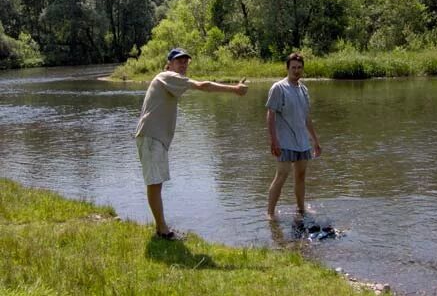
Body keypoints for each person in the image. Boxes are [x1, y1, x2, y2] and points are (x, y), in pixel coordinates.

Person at [135, 47, 248, 240]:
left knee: (156, 183)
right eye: (179, 61)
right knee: (154, 183)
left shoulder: (170, 80)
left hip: (154, 138)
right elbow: (203, 86)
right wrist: (234, 90)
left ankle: (161, 227)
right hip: (151, 137)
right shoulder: (167, 75)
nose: (184, 64)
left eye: (186, 61)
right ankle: (162, 230)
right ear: (169, 64)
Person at [265, 52, 321, 219]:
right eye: (293, 67)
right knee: (281, 176)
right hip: (285, 142)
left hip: (302, 142)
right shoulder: (279, 88)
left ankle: (301, 209)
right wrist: (273, 140)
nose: (297, 70)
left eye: (299, 67)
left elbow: (306, 117)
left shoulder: (303, 89)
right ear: (287, 68)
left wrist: (315, 141)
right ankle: (270, 214)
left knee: (301, 176)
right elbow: (270, 114)